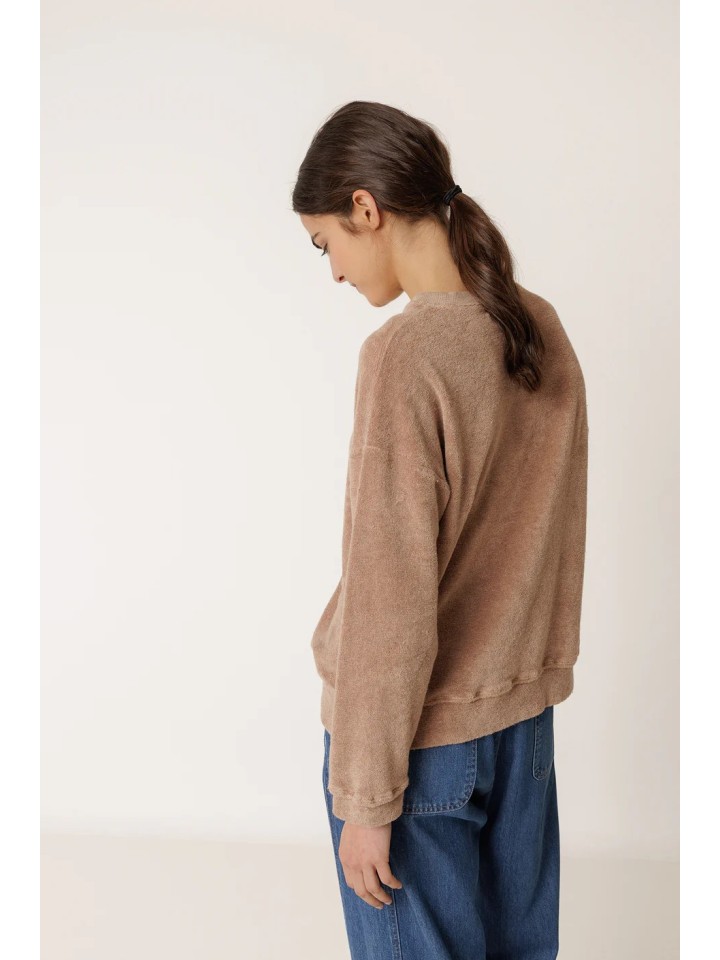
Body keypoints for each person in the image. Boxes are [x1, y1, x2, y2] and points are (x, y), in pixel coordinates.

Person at [292, 100, 588, 960]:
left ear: (365, 208)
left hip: (418, 748)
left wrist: (365, 798)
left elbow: (389, 592)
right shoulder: (538, 326)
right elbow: (555, 535)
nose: (334, 272)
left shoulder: (405, 356)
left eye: (325, 244)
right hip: (523, 733)